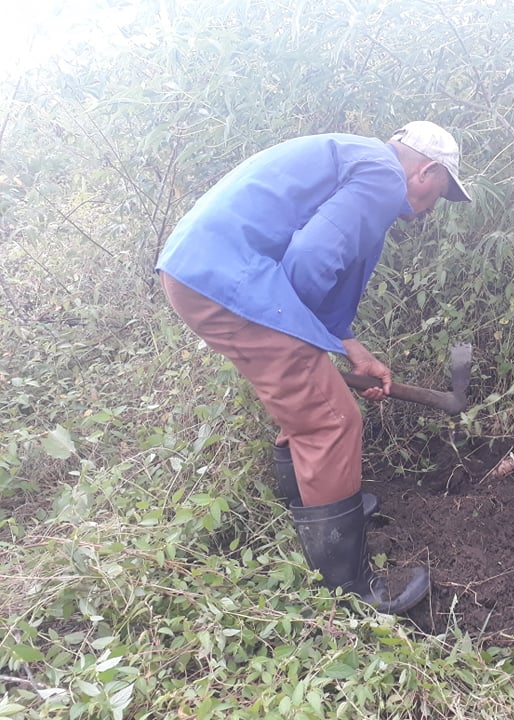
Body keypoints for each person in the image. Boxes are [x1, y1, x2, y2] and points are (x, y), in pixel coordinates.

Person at [156, 121, 471, 613]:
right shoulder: (384, 178)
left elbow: (313, 261)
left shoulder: (359, 160)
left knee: (307, 402)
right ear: (426, 172)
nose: (432, 208)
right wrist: (302, 347)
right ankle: (349, 589)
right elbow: (311, 256)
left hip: (202, 272)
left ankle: (313, 508)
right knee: (331, 419)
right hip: (226, 281)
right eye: (441, 193)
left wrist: (348, 349)